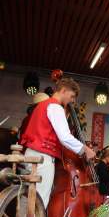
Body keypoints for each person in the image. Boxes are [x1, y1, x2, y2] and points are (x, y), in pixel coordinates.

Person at [20, 78, 96, 208]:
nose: (73, 101)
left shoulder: (42, 106)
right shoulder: (55, 107)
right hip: (42, 158)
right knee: (40, 200)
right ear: (64, 90)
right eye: (72, 96)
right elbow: (65, 137)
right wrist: (85, 149)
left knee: (28, 198)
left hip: (30, 153)